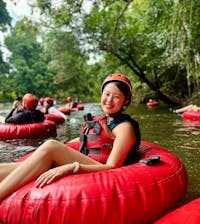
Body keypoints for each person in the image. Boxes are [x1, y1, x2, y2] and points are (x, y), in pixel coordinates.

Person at [0, 73, 141, 202]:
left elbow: (112, 167)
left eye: (116, 97)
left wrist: (71, 167)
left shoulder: (125, 128)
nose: (109, 100)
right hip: (89, 160)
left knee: (51, 146)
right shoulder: (105, 119)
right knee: (9, 167)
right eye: (107, 94)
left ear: (126, 101)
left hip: (102, 170)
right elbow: (85, 140)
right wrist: (64, 148)